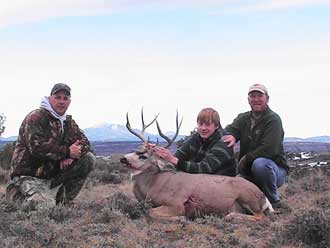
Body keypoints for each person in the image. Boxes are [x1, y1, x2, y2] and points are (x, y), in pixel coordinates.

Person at [6, 83, 95, 209]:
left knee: (88, 159)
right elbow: (36, 148)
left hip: (51, 176)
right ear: (49, 99)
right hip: (28, 175)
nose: (61, 102)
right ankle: (16, 195)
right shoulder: (36, 117)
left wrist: (72, 156)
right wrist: (67, 152)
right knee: (44, 207)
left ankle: (64, 201)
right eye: (58, 97)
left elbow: (85, 142)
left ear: (69, 102)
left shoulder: (67, 122)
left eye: (65, 98)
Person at [223, 83, 290, 210]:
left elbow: (269, 149)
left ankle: (274, 202)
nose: (256, 99)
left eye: (260, 96)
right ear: (248, 100)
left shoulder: (273, 120)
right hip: (248, 172)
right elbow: (229, 131)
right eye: (252, 96)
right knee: (233, 185)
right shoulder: (243, 118)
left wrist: (246, 159)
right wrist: (231, 135)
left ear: (267, 98)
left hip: (274, 171)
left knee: (260, 164)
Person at [152, 107, 236, 176]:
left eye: (207, 124)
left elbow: (204, 168)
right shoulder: (197, 136)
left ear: (217, 126)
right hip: (201, 180)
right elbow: (180, 154)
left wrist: (173, 159)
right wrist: (158, 151)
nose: (203, 128)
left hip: (221, 182)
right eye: (200, 124)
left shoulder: (224, 142)